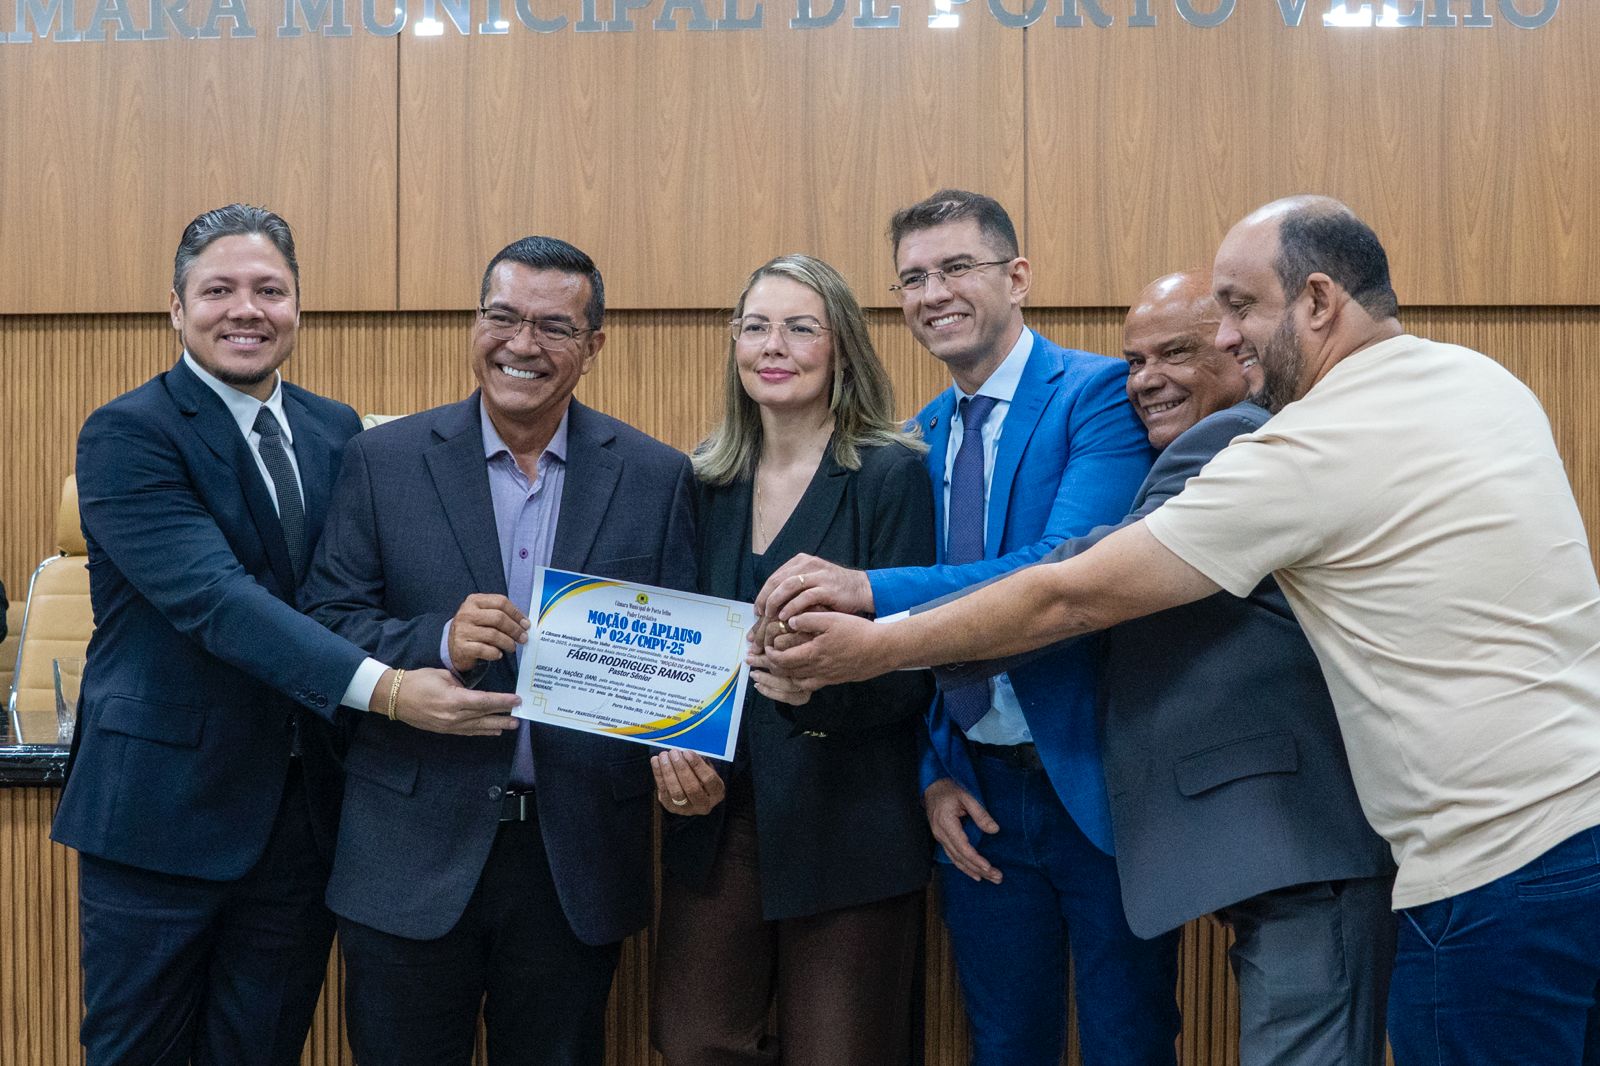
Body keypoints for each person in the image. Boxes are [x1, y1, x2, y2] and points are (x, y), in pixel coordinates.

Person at [759, 197, 1600, 1066]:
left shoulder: (1306, 448)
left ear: (1318, 301)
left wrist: (875, 641)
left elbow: (1073, 594)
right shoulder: (1480, 379)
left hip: (1491, 869)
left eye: (1239, 308)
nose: (1227, 337)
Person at [51, 204, 513, 1066]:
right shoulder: (129, 433)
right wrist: (389, 689)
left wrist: (440, 639)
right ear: (176, 308)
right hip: (160, 817)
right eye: (217, 290)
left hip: (303, 820)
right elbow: (218, 602)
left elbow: (349, 599)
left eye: (269, 289)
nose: (246, 310)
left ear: (298, 305)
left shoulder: (338, 430)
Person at [925, 269, 1396, 1066]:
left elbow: (1069, 589)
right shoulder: (935, 431)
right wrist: (934, 764)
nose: (1144, 381)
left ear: (1239, 352)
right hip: (1184, 831)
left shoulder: (1235, 440)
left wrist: (876, 626)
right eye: (1134, 360)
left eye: (1173, 353)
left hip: (1286, 845)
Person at [755, 190, 1177, 1066]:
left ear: (1016, 278)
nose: (933, 293)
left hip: (1100, 787)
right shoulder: (916, 437)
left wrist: (869, 589)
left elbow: (1061, 570)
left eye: (956, 268)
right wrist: (932, 773)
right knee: (1004, 1044)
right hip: (974, 799)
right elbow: (921, 649)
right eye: (912, 278)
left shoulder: (1098, 394)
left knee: (1128, 1042)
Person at [300, 235, 696, 1066]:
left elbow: (681, 660)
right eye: (503, 317)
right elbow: (324, 623)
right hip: (407, 853)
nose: (523, 343)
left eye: (554, 326)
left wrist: (687, 746)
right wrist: (436, 640)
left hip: (572, 859)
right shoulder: (381, 461)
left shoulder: (656, 477)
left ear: (593, 345)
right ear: (475, 323)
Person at [648, 254, 935, 1066]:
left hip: (847, 816)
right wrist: (668, 746)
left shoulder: (892, 474)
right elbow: (667, 646)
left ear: (842, 348)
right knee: (693, 1043)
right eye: (756, 327)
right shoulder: (701, 480)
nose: (773, 346)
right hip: (719, 818)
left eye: (801, 328)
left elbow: (921, 665)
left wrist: (822, 686)